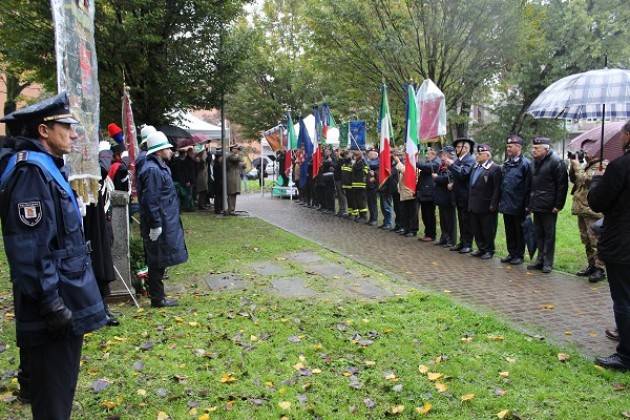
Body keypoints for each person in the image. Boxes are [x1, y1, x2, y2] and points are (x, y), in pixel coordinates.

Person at [0, 92, 107, 419]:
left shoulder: (46, 167)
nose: (74, 134)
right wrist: (50, 303)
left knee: (59, 393)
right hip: (50, 308)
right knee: (52, 404)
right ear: (43, 131)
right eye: (67, 126)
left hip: (63, 297)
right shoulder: (30, 172)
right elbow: (30, 247)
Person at [588, 120, 630, 371]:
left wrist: (598, 181)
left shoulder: (620, 166)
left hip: (623, 244)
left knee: (624, 299)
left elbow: (598, 202)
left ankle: (625, 355)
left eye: (623, 134)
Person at [138, 130, 188, 307]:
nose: (171, 150)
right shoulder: (153, 170)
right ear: (159, 151)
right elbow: (151, 200)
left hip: (164, 218)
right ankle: (158, 298)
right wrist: (156, 224)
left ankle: (158, 296)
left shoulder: (158, 167)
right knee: (156, 259)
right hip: (160, 221)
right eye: (167, 148)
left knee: (159, 258)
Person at [526, 137, 568, 273]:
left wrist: (558, 205)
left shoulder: (556, 162)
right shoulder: (534, 162)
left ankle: (548, 262)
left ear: (546, 148)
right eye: (533, 148)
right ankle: (539, 260)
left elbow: (562, 185)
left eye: (536, 148)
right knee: (538, 234)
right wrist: (529, 204)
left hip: (549, 206)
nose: (533, 150)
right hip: (536, 204)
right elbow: (531, 185)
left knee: (549, 235)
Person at [569, 142, 606, 282]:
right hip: (582, 209)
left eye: (587, 150)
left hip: (593, 211)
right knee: (586, 240)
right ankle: (591, 265)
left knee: (595, 241)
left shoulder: (602, 165)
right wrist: (573, 166)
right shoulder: (587, 165)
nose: (585, 153)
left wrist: (577, 165)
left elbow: (585, 180)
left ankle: (600, 269)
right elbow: (574, 179)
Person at [498, 134, 531, 265]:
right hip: (507, 203)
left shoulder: (526, 164)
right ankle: (511, 253)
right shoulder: (507, 163)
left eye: (510, 146)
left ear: (519, 147)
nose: (508, 149)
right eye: (507, 146)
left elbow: (528, 187)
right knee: (509, 230)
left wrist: (527, 205)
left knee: (519, 231)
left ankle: (519, 255)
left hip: (519, 204)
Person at [467, 144, 502, 259]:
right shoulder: (475, 167)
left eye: (480, 154)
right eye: (477, 153)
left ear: (487, 155)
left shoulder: (495, 168)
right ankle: (481, 248)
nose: (477, 156)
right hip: (474, 204)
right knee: (476, 228)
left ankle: (489, 250)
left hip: (487, 205)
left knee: (488, 229)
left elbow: (497, 188)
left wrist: (493, 204)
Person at [445, 138, 475, 253]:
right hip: (458, 195)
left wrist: (452, 165)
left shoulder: (470, 160)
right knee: (461, 220)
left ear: (466, 148)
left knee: (467, 221)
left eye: (458, 147)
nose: (456, 149)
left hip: (466, 195)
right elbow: (454, 175)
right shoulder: (458, 160)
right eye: (456, 147)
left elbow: (463, 174)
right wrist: (452, 181)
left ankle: (468, 244)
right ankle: (462, 242)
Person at [433, 146, 457, 247]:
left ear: (449, 154)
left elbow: (448, 179)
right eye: (441, 154)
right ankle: (444, 237)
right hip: (441, 196)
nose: (441, 156)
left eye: (443, 154)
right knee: (443, 219)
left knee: (449, 219)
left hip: (448, 196)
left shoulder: (452, 164)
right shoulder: (442, 165)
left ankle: (451, 240)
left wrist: (436, 178)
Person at [416, 146, 440, 242]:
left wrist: (416, 162)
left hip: (430, 193)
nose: (426, 155)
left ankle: (431, 234)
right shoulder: (429, 161)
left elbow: (427, 168)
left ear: (434, 153)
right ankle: (427, 233)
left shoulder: (436, 162)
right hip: (424, 192)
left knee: (429, 215)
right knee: (425, 215)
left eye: (428, 153)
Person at [395, 152, 419, 237]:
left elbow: (407, 173)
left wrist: (398, 162)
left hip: (411, 193)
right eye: (404, 159)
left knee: (413, 213)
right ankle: (406, 228)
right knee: (405, 213)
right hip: (404, 194)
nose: (405, 161)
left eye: (406, 159)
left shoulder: (415, 168)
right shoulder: (406, 167)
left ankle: (413, 230)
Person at [350, 149, 369, 222]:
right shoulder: (356, 162)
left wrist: (363, 174)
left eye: (356, 155)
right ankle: (360, 215)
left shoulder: (363, 161)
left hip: (361, 184)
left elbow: (366, 169)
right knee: (357, 201)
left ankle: (363, 216)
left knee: (361, 201)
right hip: (355, 184)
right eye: (355, 155)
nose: (355, 156)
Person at [226, 144, 245, 215]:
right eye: (236, 148)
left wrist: (243, 165)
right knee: (231, 193)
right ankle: (230, 209)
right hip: (231, 176)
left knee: (234, 194)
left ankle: (232, 209)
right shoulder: (230, 155)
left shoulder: (234, 155)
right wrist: (240, 152)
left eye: (237, 148)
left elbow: (241, 163)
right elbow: (238, 159)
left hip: (235, 176)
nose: (237, 149)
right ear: (232, 149)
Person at [366, 148, 380, 225]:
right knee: (369, 203)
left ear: (376, 155)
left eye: (371, 154)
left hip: (374, 185)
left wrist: (374, 173)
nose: (369, 155)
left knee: (373, 203)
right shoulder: (368, 162)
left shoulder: (378, 162)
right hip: (368, 185)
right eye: (369, 154)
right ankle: (371, 218)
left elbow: (379, 172)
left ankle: (374, 219)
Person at [334, 148, 349, 217]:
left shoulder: (343, 160)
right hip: (337, 179)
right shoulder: (338, 160)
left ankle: (343, 210)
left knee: (342, 195)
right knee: (339, 196)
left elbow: (341, 167)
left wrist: (340, 156)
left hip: (341, 180)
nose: (336, 153)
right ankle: (341, 209)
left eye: (337, 152)